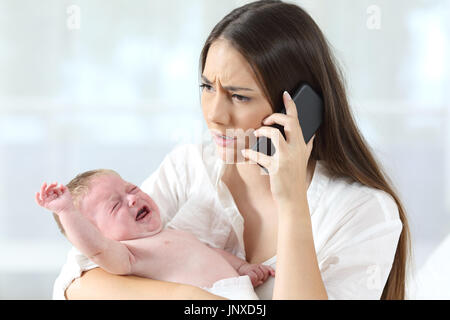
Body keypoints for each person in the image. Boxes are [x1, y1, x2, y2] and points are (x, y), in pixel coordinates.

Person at [60, 0, 411, 300]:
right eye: (207, 87)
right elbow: (75, 283)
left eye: (239, 96)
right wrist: (194, 298)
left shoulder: (363, 211)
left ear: (301, 107)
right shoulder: (190, 167)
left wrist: (292, 202)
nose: (214, 114)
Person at [36, 170, 274, 300]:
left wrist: (241, 268)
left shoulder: (171, 232)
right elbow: (96, 249)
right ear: (99, 234)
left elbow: (209, 252)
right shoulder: (128, 254)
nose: (131, 199)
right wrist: (66, 211)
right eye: (115, 206)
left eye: (131, 188)